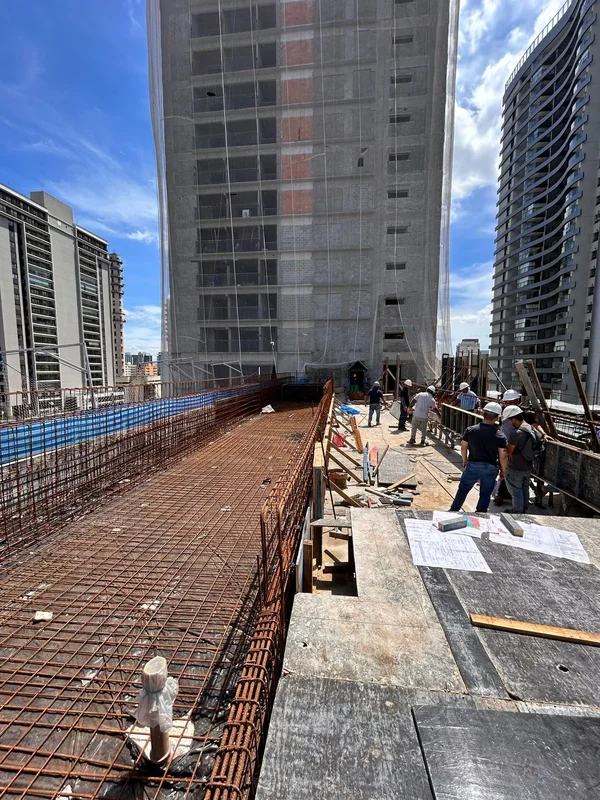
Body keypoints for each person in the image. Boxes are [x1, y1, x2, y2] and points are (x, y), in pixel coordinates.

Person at [450, 402, 508, 513]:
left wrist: (464, 460)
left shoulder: (471, 430)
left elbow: (463, 447)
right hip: (491, 467)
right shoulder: (500, 435)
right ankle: (481, 513)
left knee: (463, 489)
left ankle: (454, 509)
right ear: (497, 417)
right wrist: (504, 471)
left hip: (473, 464)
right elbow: (503, 456)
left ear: (482, 413)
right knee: (485, 494)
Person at [502, 405, 544, 513]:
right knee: (525, 488)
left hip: (515, 467)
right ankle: (524, 509)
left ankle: (517, 512)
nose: (509, 423)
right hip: (528, 466)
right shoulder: (532, 429)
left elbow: (509, 452)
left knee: (515, 490)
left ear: (514, 419)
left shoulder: (516, 433)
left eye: (509, 420)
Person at [493, 389, 522, 504]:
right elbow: (500, 426)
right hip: (505, 445)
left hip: (514, 446)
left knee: (508, 470)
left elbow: (533, 424)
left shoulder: (520, 414)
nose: (507, 404)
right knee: (504, 469)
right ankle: (501, 494)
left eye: (510, 402)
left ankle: (502, 494)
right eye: (506, 402)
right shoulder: (504, 412)